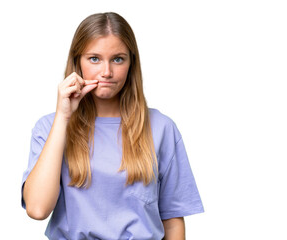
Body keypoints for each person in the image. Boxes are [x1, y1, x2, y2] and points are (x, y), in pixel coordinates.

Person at [21, 12, 204, 239]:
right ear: (78, 61)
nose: (106, 72)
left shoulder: (161, 128)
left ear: (131, 63)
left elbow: (173, 219)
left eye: (117, 59)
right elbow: (37, 209)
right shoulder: (50, 127)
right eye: (94, 59)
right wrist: (63, 117)